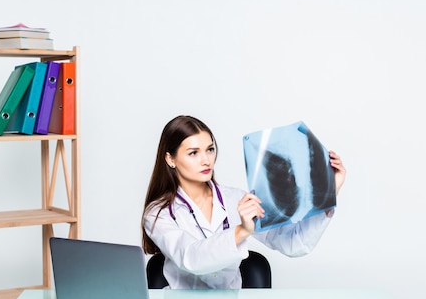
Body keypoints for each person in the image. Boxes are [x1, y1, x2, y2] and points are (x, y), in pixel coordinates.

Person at [141, 115, 346, 289]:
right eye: (194, 153)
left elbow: (293, 243)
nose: (206, 160)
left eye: (210, 149)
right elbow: (190, 258)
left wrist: (328, 192)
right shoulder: (158, 213)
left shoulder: (236, 200)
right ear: (170, 159)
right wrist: (241, 231)